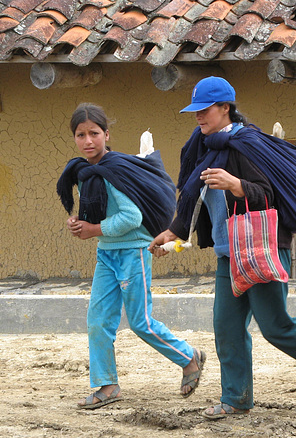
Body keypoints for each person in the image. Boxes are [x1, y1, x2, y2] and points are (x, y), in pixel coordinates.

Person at [149, 77, 296, 419]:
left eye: (205, 110)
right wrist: (173, 237)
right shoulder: (202, 148)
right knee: (226, 328)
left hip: (262, 248)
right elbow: (194, 204)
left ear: (225, 108)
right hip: (229, 252)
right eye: (195, 111)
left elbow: (269, 195)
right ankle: (236, 398)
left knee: (274, 325)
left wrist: (236, 185)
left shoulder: (246, 145)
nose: (198, 117)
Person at [56, 103, 205, 410]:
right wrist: (79, 223)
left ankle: (189, 357)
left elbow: (131, 216)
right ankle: (108, 386)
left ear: (106, 134)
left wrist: (94, 229)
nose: (87, 141)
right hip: (107, 255)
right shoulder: (85, 173)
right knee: (97, 320)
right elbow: (96, 214)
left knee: (141, 322)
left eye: (94, 133)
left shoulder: (112, 171)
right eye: (80, 135)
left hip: (133, 253)